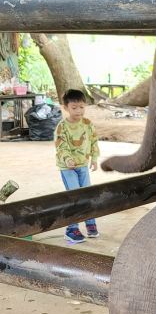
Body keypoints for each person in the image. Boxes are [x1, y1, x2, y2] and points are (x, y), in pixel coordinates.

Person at [54, 89, 100, 243]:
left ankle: (90, 223)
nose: (79, 111)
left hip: (83, 165)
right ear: (66, 107)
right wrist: (67, 159)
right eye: (74, 108)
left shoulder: (87, 124)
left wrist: (94, 158)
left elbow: (94, 140)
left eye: (82, 107)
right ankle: (71, 229)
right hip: (68, 168)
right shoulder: (62, 127)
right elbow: (61, 146)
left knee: (87, 193)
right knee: (74, 196)